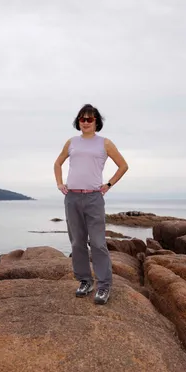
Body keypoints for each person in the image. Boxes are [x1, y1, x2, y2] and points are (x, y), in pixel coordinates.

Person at [53, 104, 129, 305]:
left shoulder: (104, 143)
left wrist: (109, 184)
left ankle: (104, 285)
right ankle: (85, 281)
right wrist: (60, 183)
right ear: (78, 121)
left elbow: (123, 166)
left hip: (94, 198)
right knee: (77, 242)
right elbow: (57, 163)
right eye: (82, 119)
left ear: (96, 122)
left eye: (89, 119)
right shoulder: (72, 142)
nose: (85, 122)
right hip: (72, 198)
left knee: (97, 242)